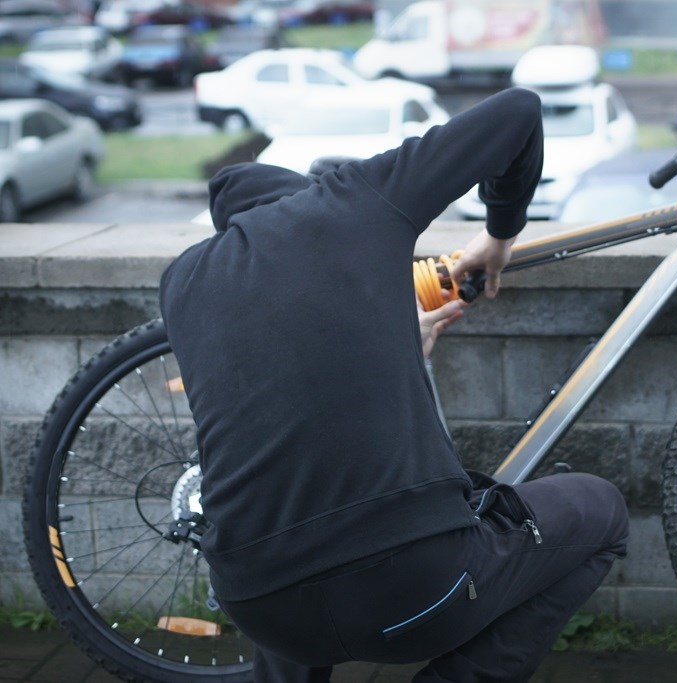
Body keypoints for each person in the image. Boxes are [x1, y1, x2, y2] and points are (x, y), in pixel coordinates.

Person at [158, 88, 629, 682]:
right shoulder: (351, 202)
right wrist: (500, 234)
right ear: (304, 194)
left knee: (286, 529)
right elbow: (518, 112)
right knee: (603, 513)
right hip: (420, 598)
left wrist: (397, 340)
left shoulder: (182, 282)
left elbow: (289, 370)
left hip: (263, 612)